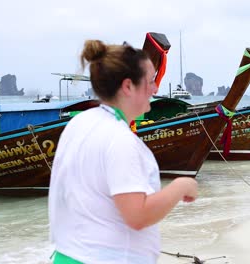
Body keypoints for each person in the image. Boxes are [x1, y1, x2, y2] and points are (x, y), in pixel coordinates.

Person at [48, 40, 198, 264]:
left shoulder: (80, 123)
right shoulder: (119, 139)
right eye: (150, 81)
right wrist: (180, 187)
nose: (156, 89)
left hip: (69, 255)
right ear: (128, 87)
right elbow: (137, 216)